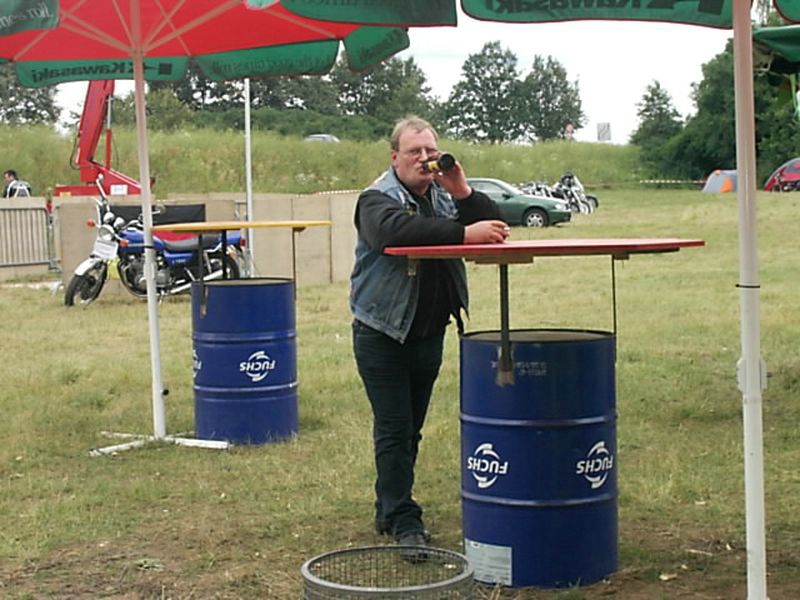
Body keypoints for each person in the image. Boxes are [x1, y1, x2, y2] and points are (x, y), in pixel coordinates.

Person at [350, 116, 509, 556]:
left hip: (428, 331)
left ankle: (389, 507)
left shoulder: (442, 195)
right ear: (394, 157)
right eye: (414, 152)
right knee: (395, 427)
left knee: (411, 429)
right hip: (382, 331)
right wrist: (463, 233)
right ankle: (404, 519)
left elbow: (496, 227)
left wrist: (464, 192)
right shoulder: (376, 198)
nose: (424, 159)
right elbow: (394, 233)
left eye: (430, 151)